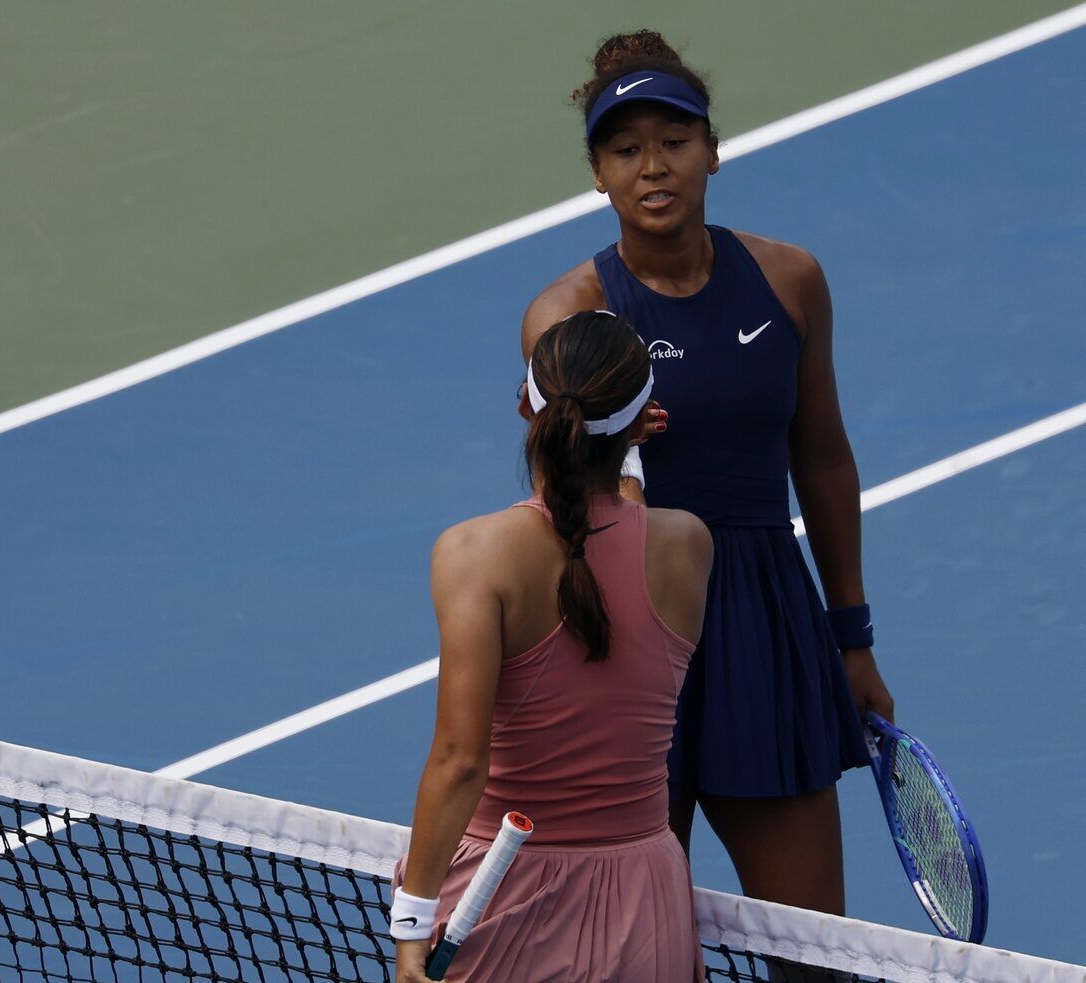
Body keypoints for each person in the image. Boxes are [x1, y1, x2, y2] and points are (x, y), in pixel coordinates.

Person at [518, 31, 895, 919]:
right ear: (598, 174)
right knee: (633, 951)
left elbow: (824, 456)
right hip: (628, 628)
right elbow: (566, 498)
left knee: (814, 953)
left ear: (713, 153)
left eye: (675, 141)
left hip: (763, 622)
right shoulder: (572, 313)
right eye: (625, 149)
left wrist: (852, 636)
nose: (653, 167)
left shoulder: (789, 280)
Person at [392, 311, 714, 982]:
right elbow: (620, 531)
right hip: (644, 901)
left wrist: (412, 924)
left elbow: (458, 761)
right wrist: (628, 455)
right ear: (637, 424)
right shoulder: (688, 548)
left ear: (523, 407)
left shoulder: (474, 555)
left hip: (504, 895)